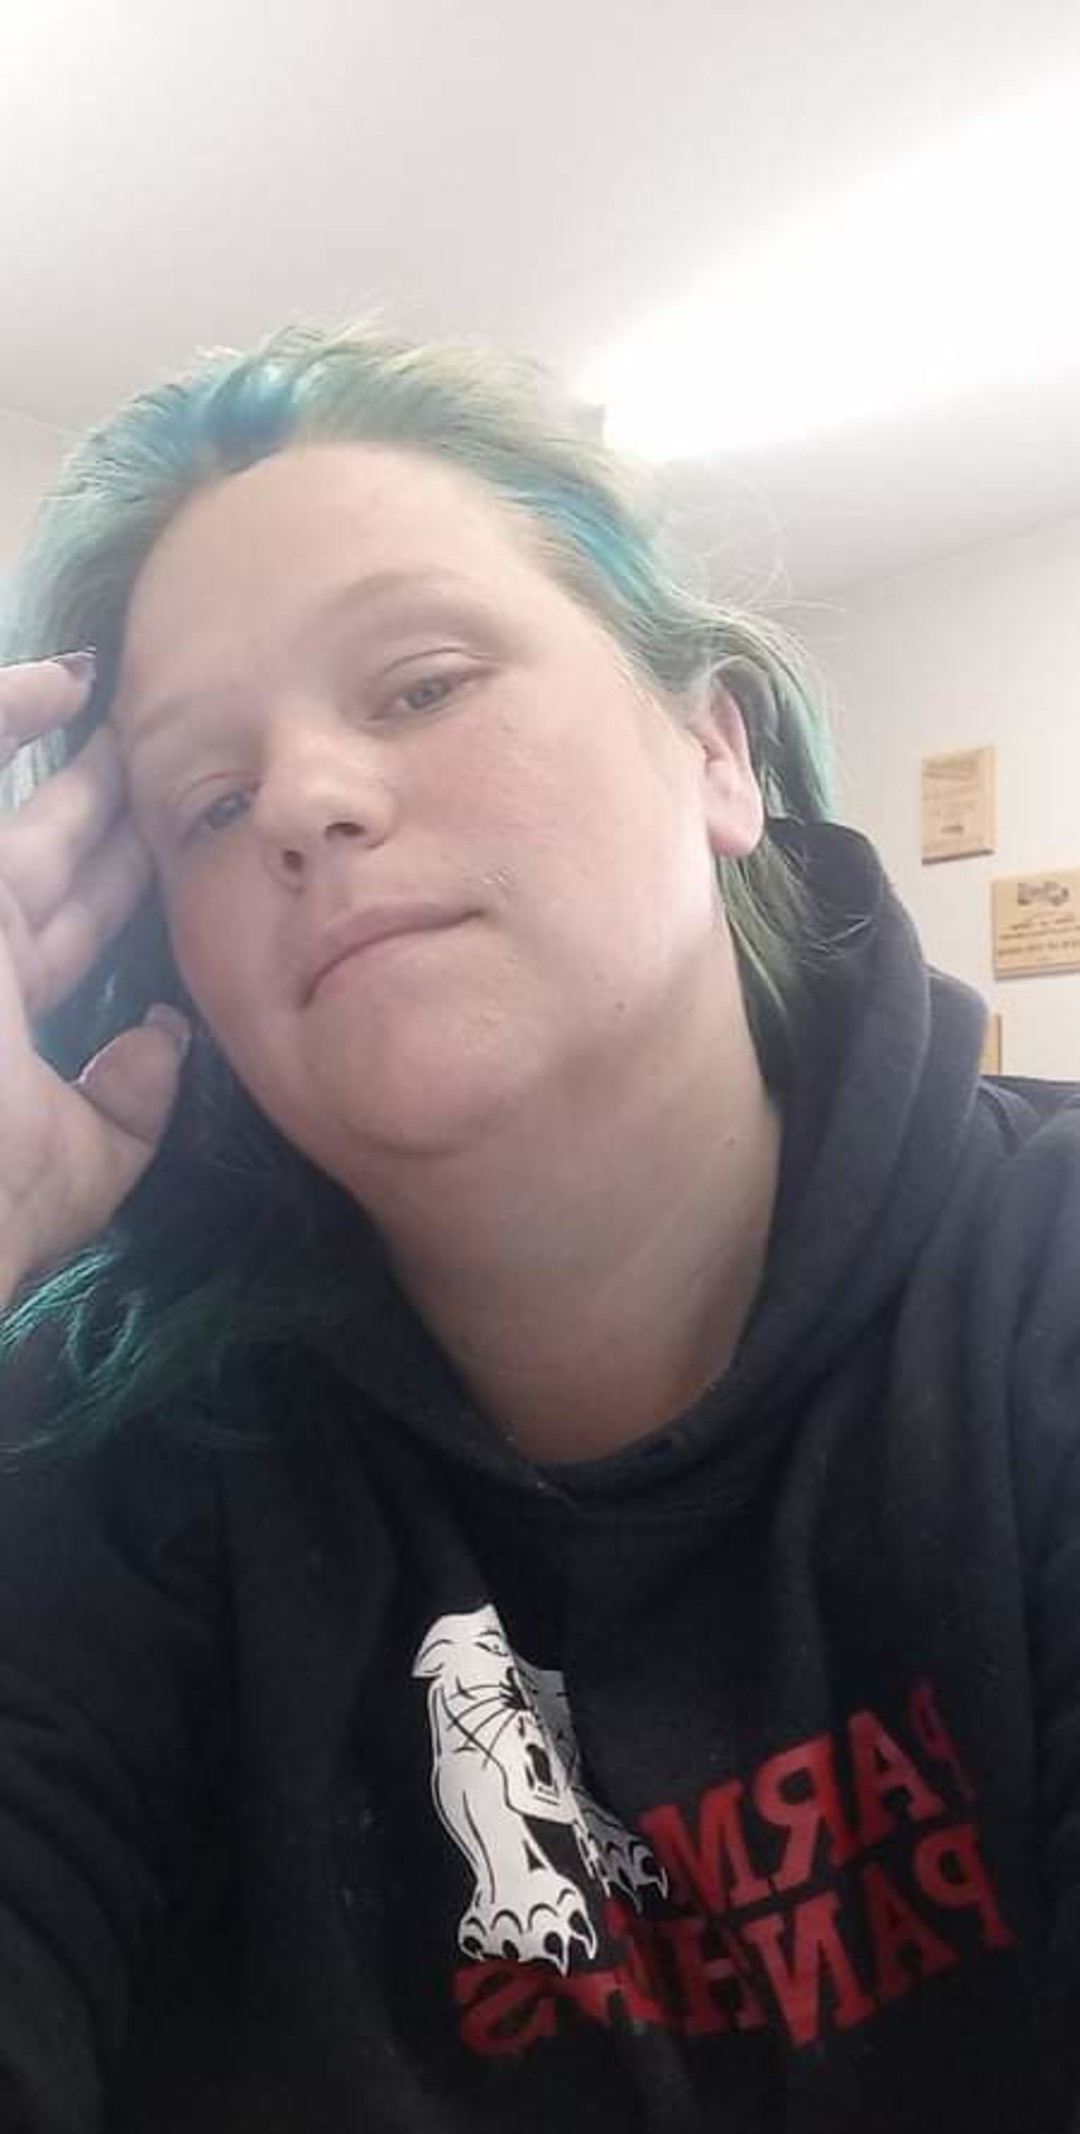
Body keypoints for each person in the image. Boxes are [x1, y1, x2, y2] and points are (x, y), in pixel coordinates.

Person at [0, 322, 1076, 2134]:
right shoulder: (118, 1465)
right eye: (209, 801)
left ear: (717, 747)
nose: (305, 802)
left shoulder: (1046, 1289)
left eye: (420, 684)